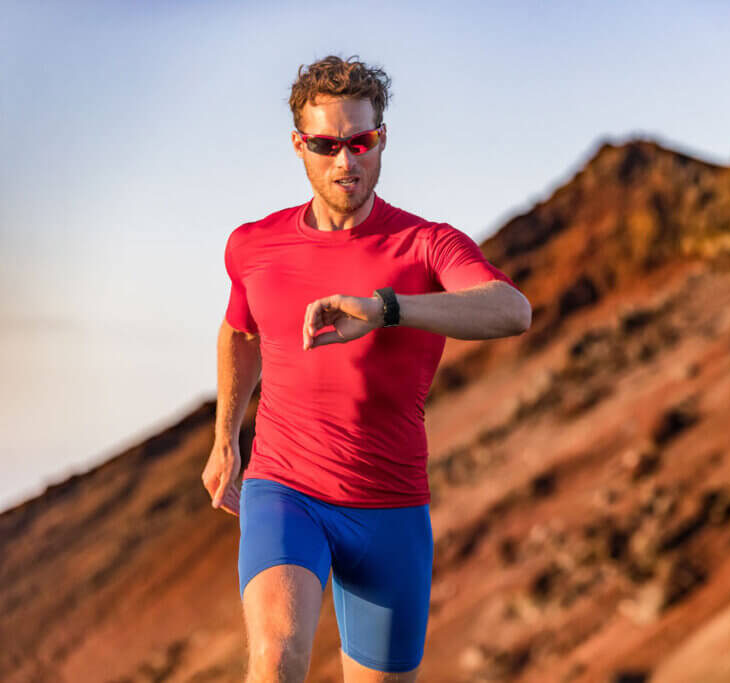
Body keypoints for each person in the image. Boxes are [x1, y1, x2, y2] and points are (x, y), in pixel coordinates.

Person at [201, 55, 531, 683]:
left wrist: (387, 309)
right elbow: (241, 330)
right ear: (300, 146)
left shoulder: (428, 245)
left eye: (361, 141)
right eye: (326, 145)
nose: (345, 161)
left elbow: (511, 311)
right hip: (285, 489)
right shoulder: (254, 245)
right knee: (274, 659)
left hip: (390, 506)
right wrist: (226, 438)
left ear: (382, 138)